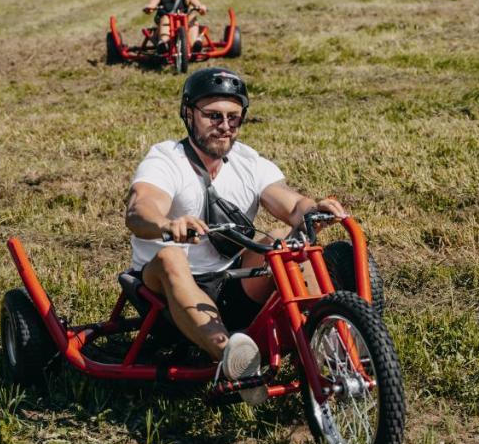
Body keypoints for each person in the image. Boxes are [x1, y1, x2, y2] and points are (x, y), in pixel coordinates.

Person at [124, 67, 348, 402]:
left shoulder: (246, 161)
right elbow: (140, 209)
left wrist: (314, 208)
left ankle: (331, 345)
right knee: (170, 255)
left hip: (232, 284)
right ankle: (233, 358)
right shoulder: (166, 158)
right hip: (163, 296)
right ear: (188, 113)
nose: (225, 127)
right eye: (213, 116)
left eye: (234, 118)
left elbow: (290, 204)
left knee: (279, 240)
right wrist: (167, 225)